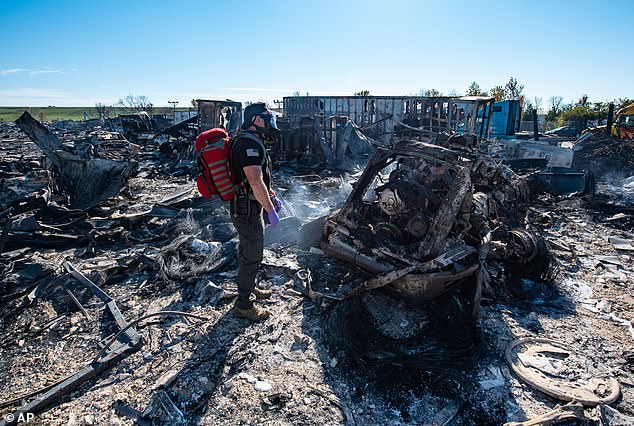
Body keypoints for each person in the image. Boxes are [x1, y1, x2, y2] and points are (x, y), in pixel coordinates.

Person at [229, 103, 282, 321]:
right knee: (252, 256)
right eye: (268, 119)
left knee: (247, 253)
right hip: (246, 210)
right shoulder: (247, 144)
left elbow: (260, 179)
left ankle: (248, 288)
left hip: (248, 207)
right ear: (257, 121)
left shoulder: (251, 141)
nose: (271, 124)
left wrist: (271, 195)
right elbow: (254, 181)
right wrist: (270, 209)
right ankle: (244, 306)